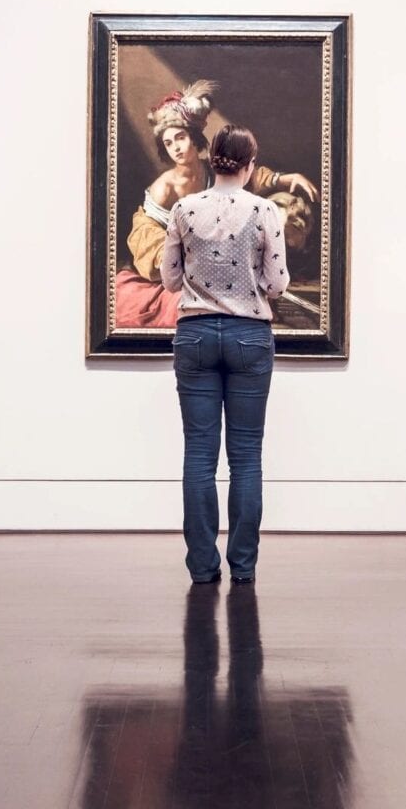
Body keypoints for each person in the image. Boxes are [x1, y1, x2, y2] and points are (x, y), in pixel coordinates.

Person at [161, 125, 289, 584]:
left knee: (198, 454)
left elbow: (171, 280)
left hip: (194, 335)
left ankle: (201, 568)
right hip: (249, 337)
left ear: (213, 159)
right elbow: (276, 285)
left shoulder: (183, 209)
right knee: (246, 456)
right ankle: (243, 567)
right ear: (250, 164)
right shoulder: (265, 210)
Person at [114, 81, 316, 327]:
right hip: (176, 272)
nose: (176, 147)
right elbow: (146, 238)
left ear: (194, 138)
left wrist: (285, 178)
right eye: (168, 143)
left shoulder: (211, 170)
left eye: (181, 137)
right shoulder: (163, 188)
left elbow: (247, 178)